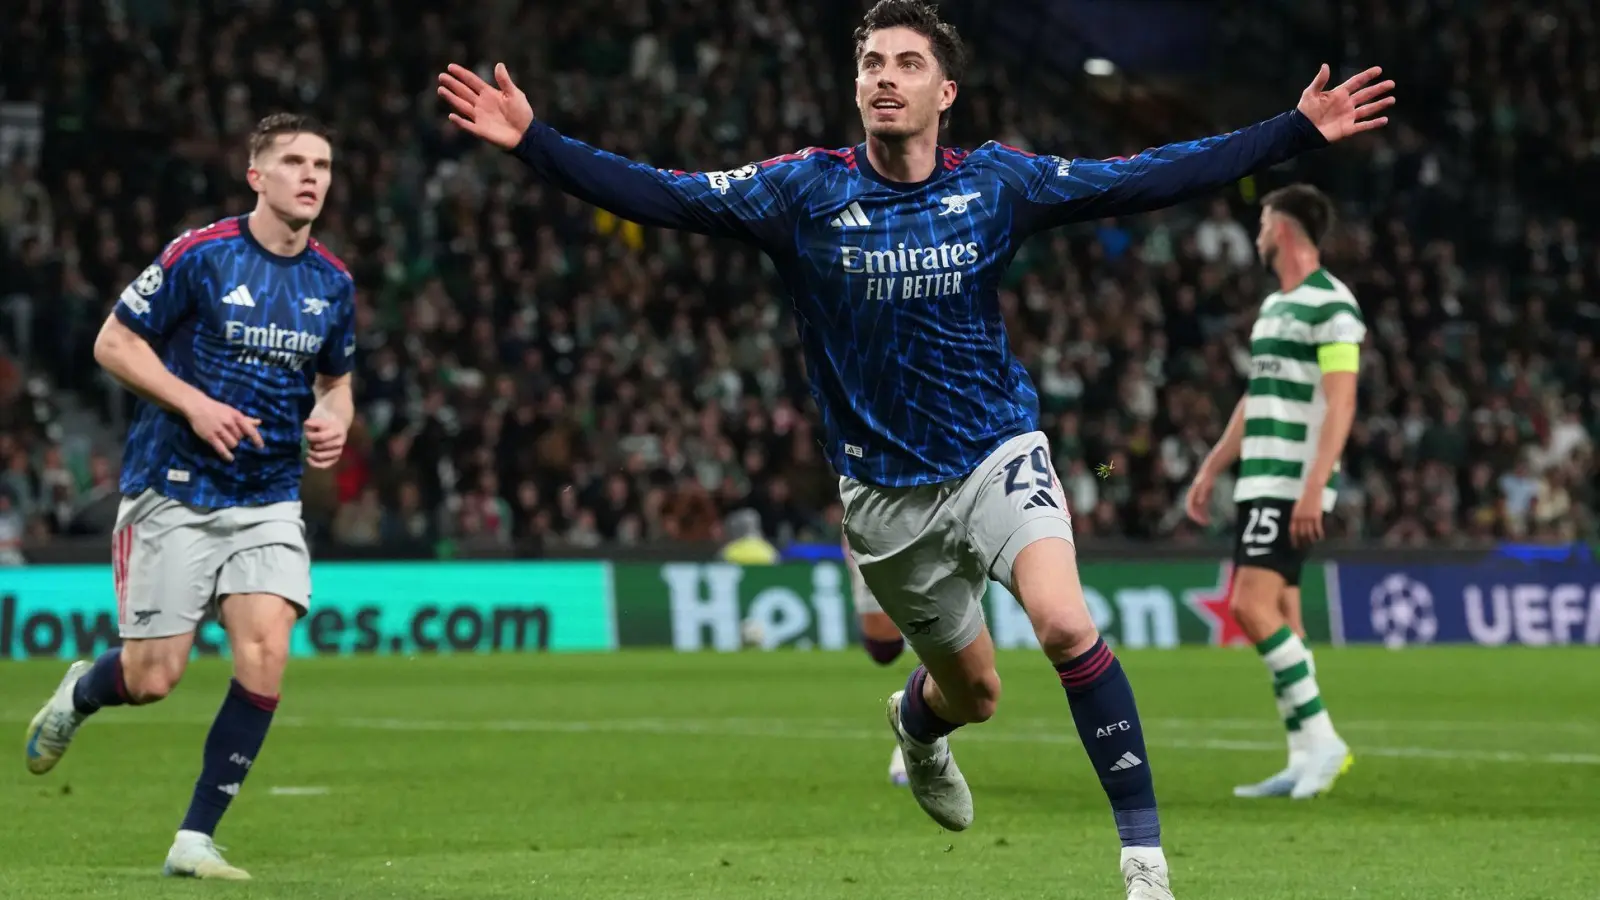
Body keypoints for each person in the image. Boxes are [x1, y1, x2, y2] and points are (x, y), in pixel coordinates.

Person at [436, 1, 1392, 893]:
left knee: (1065, 623)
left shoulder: (997, 183)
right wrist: (535, 143)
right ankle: (917, 725)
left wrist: (1291, 132)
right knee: (973, 693)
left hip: (996, 454)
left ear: (946, 93)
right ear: (856, 86)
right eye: (870, 63)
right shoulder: (800, 192)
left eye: (906, 63)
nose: (884, 77)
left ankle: (1144, 867)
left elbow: (1144, 175)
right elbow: (659, 194)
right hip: (886, 498)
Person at [22, 113, 357, 881]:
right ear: (257, 176)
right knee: (153, 678)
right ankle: (82, 691)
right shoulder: (201, 256)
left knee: (267, 649)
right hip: (174, 488)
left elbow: (336, 383)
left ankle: (194, 839)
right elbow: (114, 341)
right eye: (296, 161)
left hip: (269, 493)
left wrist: (332, 420)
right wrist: (193, 404)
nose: (313, 176)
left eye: (325, 164)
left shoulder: (332, 283)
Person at [1186, 184, 1360, 800]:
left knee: (1249, 608)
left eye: (1262, 221)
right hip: (1260, 476)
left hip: (1291, 481)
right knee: (1283, 611)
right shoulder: (1273, 309)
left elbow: (1342, 399)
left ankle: (1324, 738)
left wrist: (1316, 483)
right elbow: (1256, 396)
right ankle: (1303, 753)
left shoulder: (1331, 304)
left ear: (1282, 228)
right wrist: (1212, 466)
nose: (1257, 232)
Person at [847, 535, 911, 786]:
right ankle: (919, 726)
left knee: (971, 681)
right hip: (888, 522)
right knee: (884, 650)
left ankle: (917, 736)